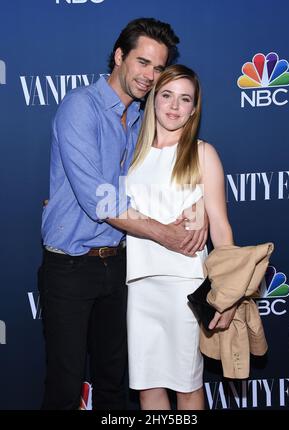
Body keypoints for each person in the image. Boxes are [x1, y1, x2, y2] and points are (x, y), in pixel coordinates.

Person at [39, 18, 207, 410]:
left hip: (118, 269)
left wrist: (199, 202)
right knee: (64, 387)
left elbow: (166, 176)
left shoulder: (138, 121)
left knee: (113, 384)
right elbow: (99, 202)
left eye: (159, 67)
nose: (151, 76)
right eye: (143, 62)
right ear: (119, 57)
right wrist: (166, 234)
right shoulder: (80, 107)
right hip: (70, 268)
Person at [125, 64, 237, 410]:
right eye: (167, 95)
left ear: (193, 109)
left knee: (187, 386)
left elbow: (221, 229)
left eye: (184, 99)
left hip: (185, 287)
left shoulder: (203, 154)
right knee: (147, 388)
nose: (174, 106)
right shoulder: (130, 152)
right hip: (138, 285)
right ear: (153, 100)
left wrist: (230, 293)